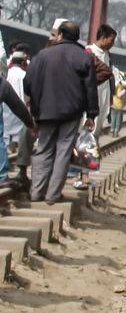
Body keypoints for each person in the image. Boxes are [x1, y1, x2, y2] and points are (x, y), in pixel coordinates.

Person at [25, 20, 99, 203]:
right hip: (71, 112)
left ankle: (36, 192)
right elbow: (90, 88)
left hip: (44, 111)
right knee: (64, 151)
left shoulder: (42, 55)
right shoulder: (83, 57)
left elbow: (28, 83)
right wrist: (91, 114)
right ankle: (53, 195)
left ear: (60, 35)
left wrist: (34, 106)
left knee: (43, 149)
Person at [1, 51, 35, 181]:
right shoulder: (22, 75)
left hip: (7, 111)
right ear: (23, 62)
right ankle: (2, 174)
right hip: (17, 110)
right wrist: (30, 123)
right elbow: (19, 103)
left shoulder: (8, 74)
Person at [85, 24, 116, 133]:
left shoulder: (108, 55)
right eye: (111, 40)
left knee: (97, 128)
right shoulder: (89, 51)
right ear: (103, 38)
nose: (112, 44)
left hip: (104, 95)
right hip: (92, 96)